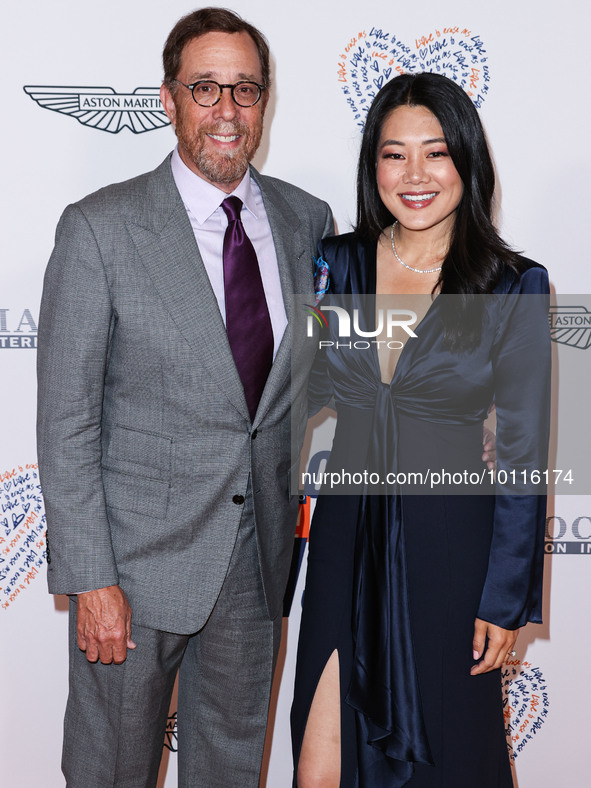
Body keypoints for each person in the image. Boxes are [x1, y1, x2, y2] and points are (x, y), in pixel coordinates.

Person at [37, 7, 332, 787]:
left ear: (265, 100)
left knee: (233, 771)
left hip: (257, 561)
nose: (227, 112)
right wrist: (90, 578)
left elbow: (331, 378)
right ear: (168, 99)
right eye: (205, 88)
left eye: (245, 89)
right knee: (110, 772)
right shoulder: (100, 228)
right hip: (130, 575)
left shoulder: (308, 222)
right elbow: (67, 421)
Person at [291, 72, 550, 787]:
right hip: (344, 539)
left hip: (451, 551)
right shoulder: (332, 265)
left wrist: (506, 599)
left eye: (435, 153)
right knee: (319, 764)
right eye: (392, 153)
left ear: (465, 161)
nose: (413, 175)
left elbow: (525, 453)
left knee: (447, 760)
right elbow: (293, 392)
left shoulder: (510, 284)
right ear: (371, 164)